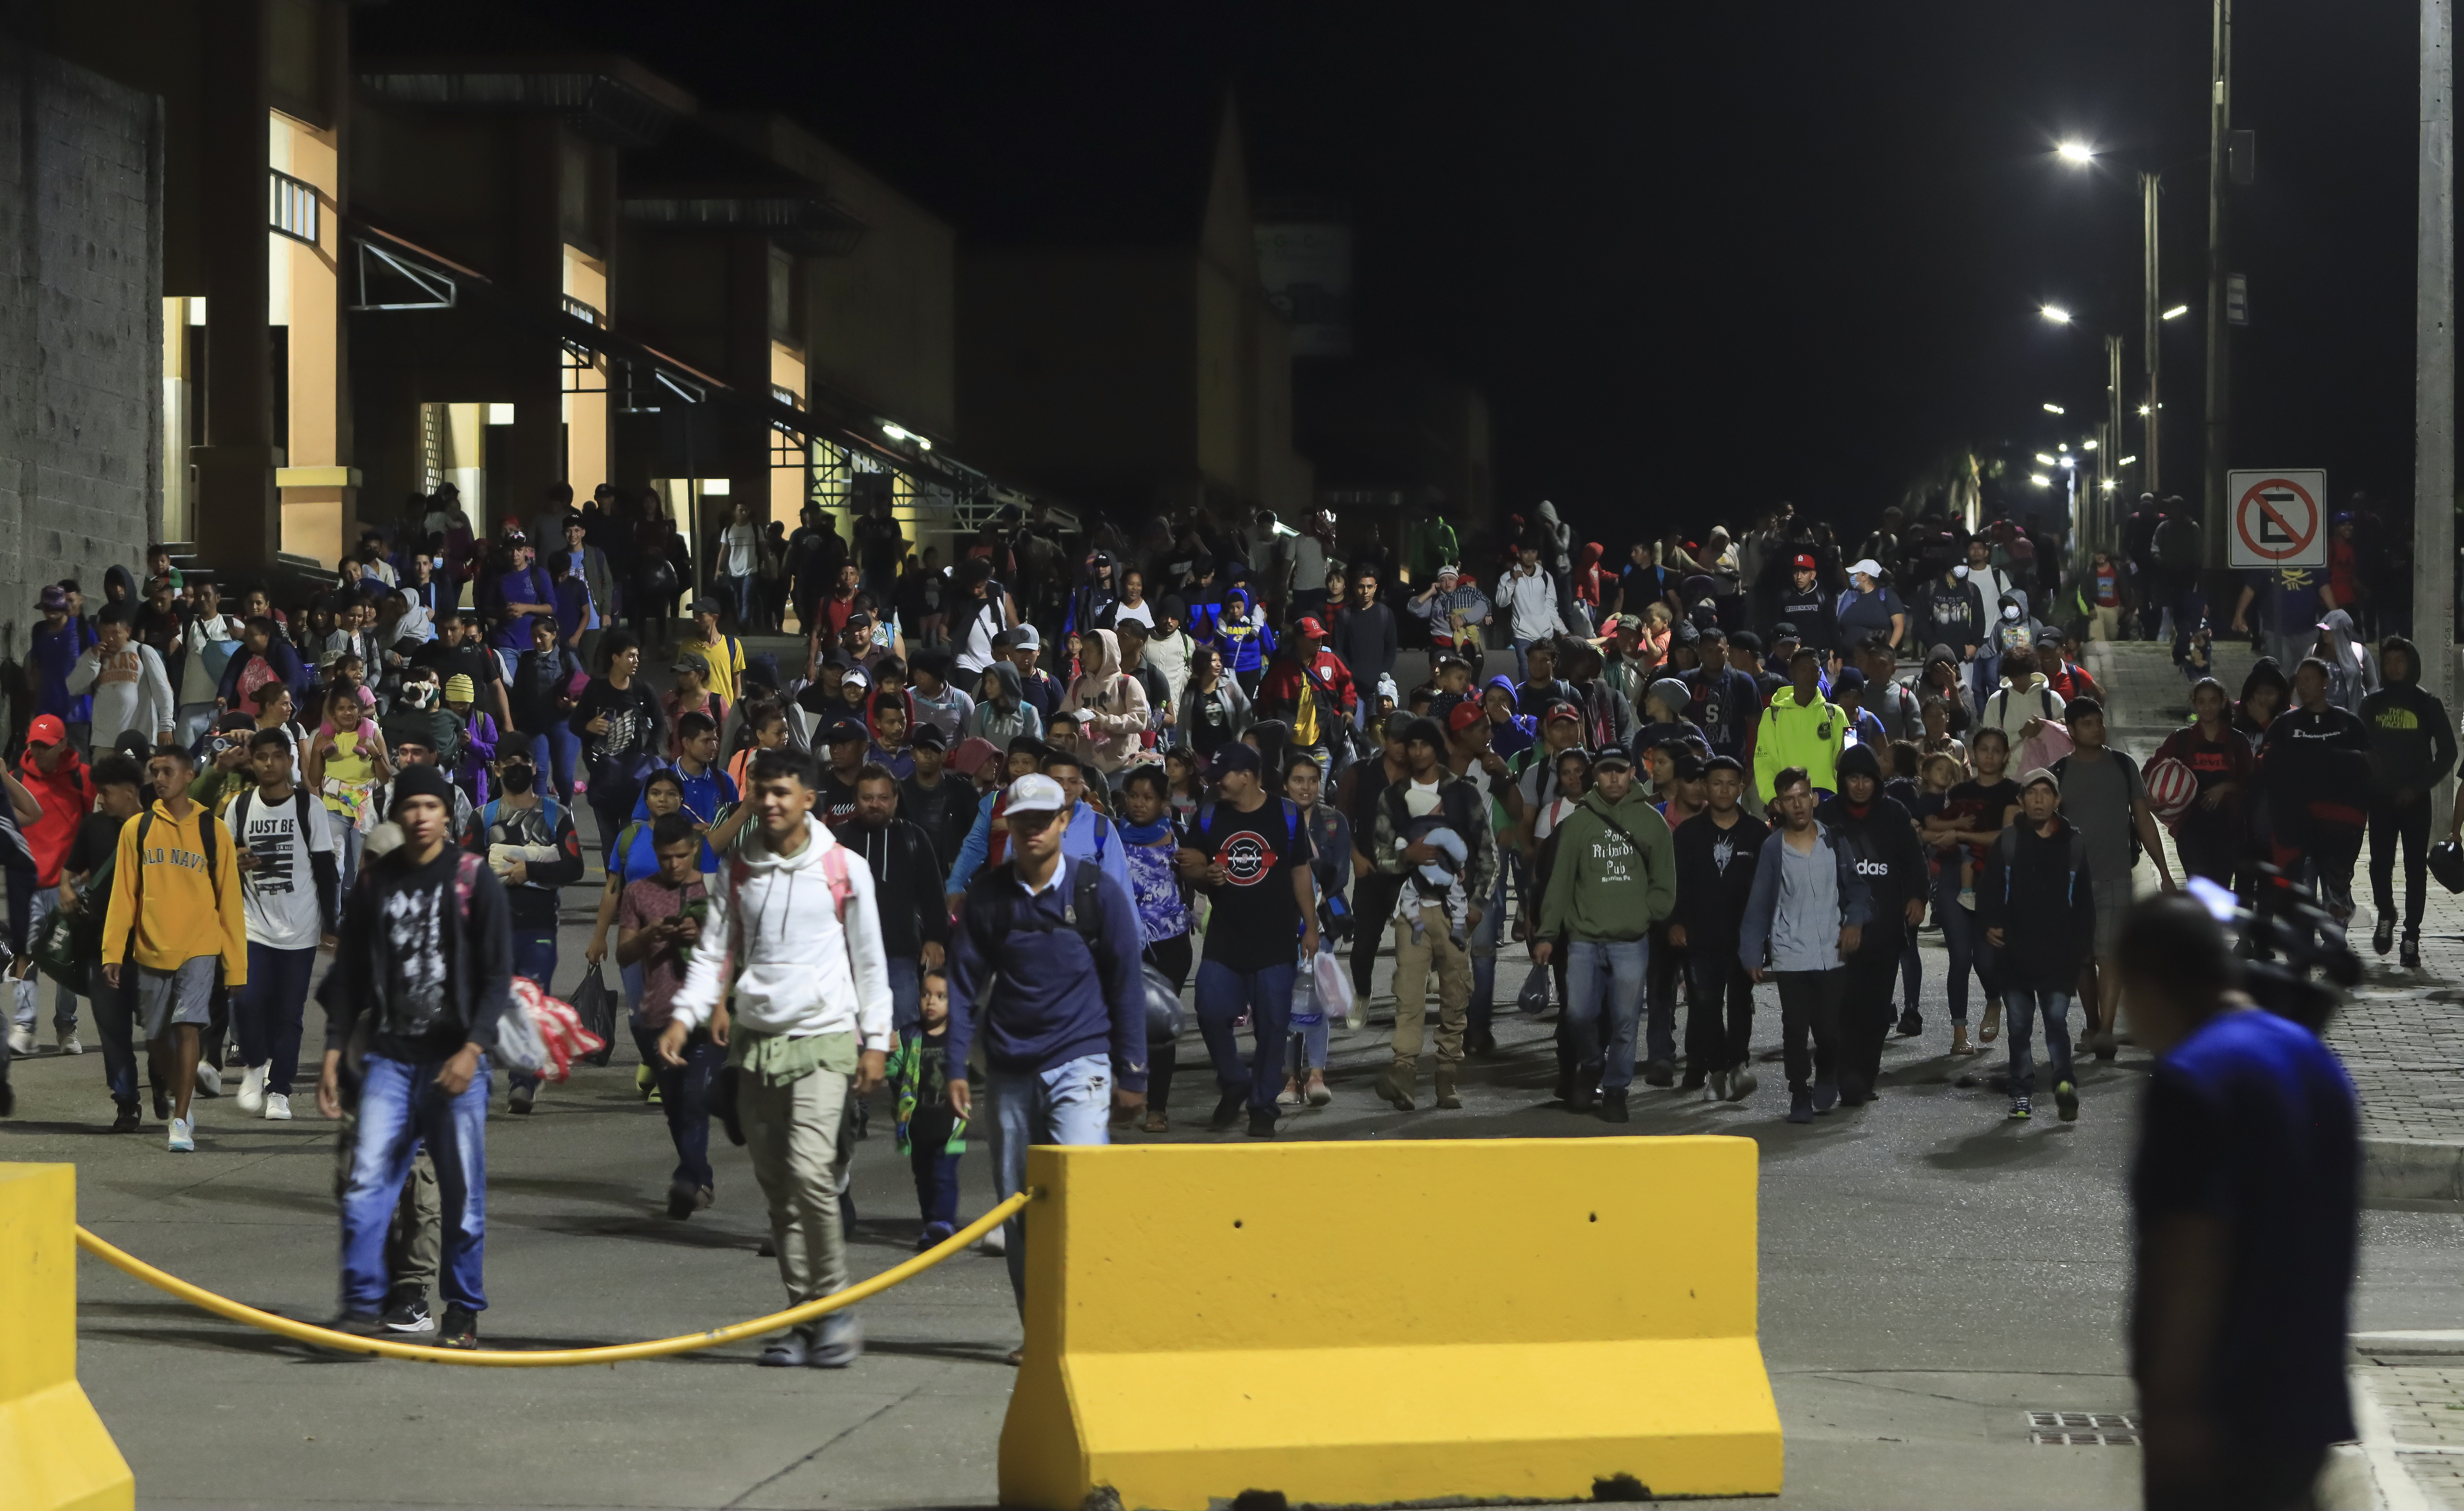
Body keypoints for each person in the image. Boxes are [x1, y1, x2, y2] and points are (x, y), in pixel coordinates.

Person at [2119, 897, 2358, 1509]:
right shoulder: (2313, 1059)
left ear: (2148, 983)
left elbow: (2188, 1255)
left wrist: (2171, 1410)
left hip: (2222, 1418)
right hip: (2307, 1410)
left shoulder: (2192, 1079)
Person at [663, 745, 893, 1368]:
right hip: (755, 1041)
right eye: (761, 791)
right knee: (778, 1189)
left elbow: (870, 960)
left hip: (824, 1038)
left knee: (813, 1174)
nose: (768, 802)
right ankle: (803, 1317)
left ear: (809, 799)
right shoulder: (740, 867)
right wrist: (685, 1016)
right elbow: (715, 950)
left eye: (781, 792)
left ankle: (836, 1310)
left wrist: (877, 1038)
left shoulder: (843, 867)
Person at [316, 764, 509, 1349]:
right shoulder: (376, 884)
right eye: (411, 806)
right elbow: (348, 974)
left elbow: (499, 974)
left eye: (431, 805)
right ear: (397, 814)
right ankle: (361, 1306)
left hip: (455, 1063)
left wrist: (473, 1048)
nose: (421, 816)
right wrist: (332, 1048)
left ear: (448, 813)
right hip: (390, 1061)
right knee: (367, 1182)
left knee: (462, 1195)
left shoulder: (475, 878)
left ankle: (462, 1310)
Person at [944, 772, 1145, 1326]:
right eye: (1022, 819)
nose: (1032, 829)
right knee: (1021, 1208)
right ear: (1007, 825)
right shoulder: (988, 898)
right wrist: (955, 1064)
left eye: (1044, 818)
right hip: (1009, 1072)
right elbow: (961, 986)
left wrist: (1134, 1074)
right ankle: (1040, 1333)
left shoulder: (1095, 892)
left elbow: (1126, 981)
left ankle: (1085, 1323)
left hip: (1082, 1062)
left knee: (1081, 1196)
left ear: (1064, 821)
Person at [101, 746, 249, 1153]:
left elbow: (230, 902)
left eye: (168, 770)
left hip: (199, 945)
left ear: (188, 775)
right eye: (155, 771)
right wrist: (113, 951)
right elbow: (123, 897)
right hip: (150, 949)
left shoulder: (213, 830)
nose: (160, 778)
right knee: (155, 1038)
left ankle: (181, 1120)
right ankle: (175, 1084)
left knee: (188, 1028)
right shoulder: (138, 828)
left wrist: (236, 967)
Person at [1175, 742, 1318, 1137]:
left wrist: (1311, 925)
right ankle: (1234, 1078)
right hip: (1225, 938)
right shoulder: (1209, 814)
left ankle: (1263, 1105)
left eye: (1224, 776)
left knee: (1273, 1027)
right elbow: (1188, 863)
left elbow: (1300, 871)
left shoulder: (1286, 814)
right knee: (1209, 1009)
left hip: (1275, 941)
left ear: (1248, 776)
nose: (1217, 782)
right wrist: (1206, 876)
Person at [1528, 746, 1674, 1122]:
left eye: (1620, 771)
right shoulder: (1578, 824)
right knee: (1577, 1014)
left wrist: (1643, 915)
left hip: (1631, 940)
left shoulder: (1652, 823)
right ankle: (1592, 1062)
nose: (1613, 778)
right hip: (1583, 940)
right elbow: (1559, 883)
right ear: (1597, 774)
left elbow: (1665, 884)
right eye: (1607, 771)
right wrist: (1546, 933)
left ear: (1632, 773)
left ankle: (1615, 1090)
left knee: (1626, 1022)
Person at [1367, 715, 1498, 1112]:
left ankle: (1446, 1074)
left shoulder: (1464, 795)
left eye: (1425, 744)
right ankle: (1403, 1071)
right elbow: (1381, 854)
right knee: (1409, 994)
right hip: (1413, 910)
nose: (1417, 751)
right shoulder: (1392, 798)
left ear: (1435, 749)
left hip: (1457, 912)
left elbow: (1487, 852)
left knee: (1456, 996)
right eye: (1412, 745)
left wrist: (1477, 903)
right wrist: (1405, 856)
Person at [1737, 765, 1869, 1124]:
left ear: (1813, 798)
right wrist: (1752, 951)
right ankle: (1799, 1091)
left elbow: (1857, 889)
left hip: (1832, 952)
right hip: (1791, 953)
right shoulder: (1772, 848)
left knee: (1828, 1029)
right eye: (1788, 798)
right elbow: (1760, 902)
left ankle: (1827, 1072)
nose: (1797, 805)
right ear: (1779, 804)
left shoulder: (1834, 840)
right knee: (1795, 1027)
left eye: (1802, 796)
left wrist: (1854, 921)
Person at [2051, 697, 2178, 1059]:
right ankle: (2092, 1021)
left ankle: (2105, 1029)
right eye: (2087, 724)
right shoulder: (2058, 772)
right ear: (2071, 730)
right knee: (2082, 956)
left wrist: (2165, 871)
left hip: (2117, 874)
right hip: (2073, 880)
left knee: (2109, 956)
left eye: (2099, 722)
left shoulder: (2123, 766)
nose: (2096, 729)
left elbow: (2143, 819)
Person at [463, 743, 584, 1115]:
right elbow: (466, 868)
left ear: (535, 767)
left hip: (538, 926)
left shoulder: (557, 814)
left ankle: (523, 1082)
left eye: (524, 761)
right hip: (490, 928)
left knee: (531, 1005)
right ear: (497, 769)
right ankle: (476, 1080)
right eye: (510, 762)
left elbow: (574, 868)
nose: (517, 767)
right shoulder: (482, 817)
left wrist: (529, 870)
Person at [226, 729, 340, 1122]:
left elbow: (327, 870)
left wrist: (332, 922)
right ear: (252, 762)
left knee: (290, 1013)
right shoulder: (238, 808)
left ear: (291, 760)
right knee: (246, 1000)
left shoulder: (311, 809)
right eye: (262, 757)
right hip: (253, 924)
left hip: (300, 928)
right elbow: (222, 869)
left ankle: (280, 1091)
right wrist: (234, 860)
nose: (270, 763)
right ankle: (255, 1062)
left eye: (278, 756)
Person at [617, 811, 723, 1218]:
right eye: (665, 857)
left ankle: (687, 1179)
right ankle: (701, 1177)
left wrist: (702, 933)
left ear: (693, 849)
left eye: (680, 856)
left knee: (696, 1098)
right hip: (657, 1015)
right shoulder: (638, 893)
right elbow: (625, 952)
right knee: (676, 1105)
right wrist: (649, 934)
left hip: (705, 1016)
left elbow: (737, 950)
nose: (674, 865)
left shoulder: (714, 890)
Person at [1977, 768, 2095, 1122]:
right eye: (2032, 793)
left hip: (2059, 955)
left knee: (2056, 1021)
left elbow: (2085, 903)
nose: (2039, 799)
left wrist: (2081, 950)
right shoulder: (2010, 841)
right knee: (2019, 1025)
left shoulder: (2073, 843)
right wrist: (1989, 924)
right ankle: (2021, 1093)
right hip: (2015, 951)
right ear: (2021, 800)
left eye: (2046, 793)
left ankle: (2064, 1084)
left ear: (2057, 800)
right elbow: (1990, 888)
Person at [1814, 743, 1928, 1107]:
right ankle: (1837, 1073)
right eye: (1853, 778)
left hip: (1884, 930)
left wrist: (1918, 897)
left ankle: (1862, 1079)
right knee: (1840, 1010)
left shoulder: (1894, 813)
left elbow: (1914, 860)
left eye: (1867, 778)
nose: (1860, 785)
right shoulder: (1828, 815)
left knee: (1876, 1012)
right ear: (1843, 780)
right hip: (1836, 930)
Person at [833, 764, 952, 1036]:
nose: (875, 805)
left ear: (896, 800)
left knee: (908, 1034)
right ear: (856, 800)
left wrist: (935, 939)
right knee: (849, 1037)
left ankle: (906, 1081)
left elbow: (933, 893)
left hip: (899, 957)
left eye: (883, 798)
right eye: (867, 798)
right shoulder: (838, 840)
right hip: (847, 957)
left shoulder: (914, 838)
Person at [1670, 755, 1762, 1102]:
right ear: (1706, 788)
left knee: (1741, 1002)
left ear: (1742, 787)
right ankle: (1717, 1070)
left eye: (1731, 783)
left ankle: (1739, 1065)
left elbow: (1767, 889)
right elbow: (1676, 882)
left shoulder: (1757, 833)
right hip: (1700, 937)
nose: (1724, 789)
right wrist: (1676, 921)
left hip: (1744, 938)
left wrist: (1764, 935)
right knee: (1705, 1006)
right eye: (1716, 782)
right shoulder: (1689, 834)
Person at [2360, 636, 2454, 968]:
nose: (2394, 667)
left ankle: (2411, 936)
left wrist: (2418, 787)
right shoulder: (2372, 703)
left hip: (2415, 801)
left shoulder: (2427, 704)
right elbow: (2360, 748)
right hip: (2381, 799)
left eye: (2401, 661)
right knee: (2379, 864)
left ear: (2411, 664)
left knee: (2416, 869)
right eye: (2389, 662)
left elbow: (2448, 752)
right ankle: (2386, 912)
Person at [1114, 763, 1193, 1132]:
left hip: (1171, 945)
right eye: (1133, 796)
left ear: (1164, 802)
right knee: (1123, 1022)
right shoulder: (1110, 835)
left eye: (1148, 797)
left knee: (1160, 1027)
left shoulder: (1180, 835)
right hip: (1124, 944)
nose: (1139, 804)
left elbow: (1198, 878)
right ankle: (1128, 1094)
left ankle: (1157, 1107)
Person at [12, 715, 92, 1056]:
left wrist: (84, 876)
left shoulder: (83, 777)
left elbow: (93, 826)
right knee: (25, 954)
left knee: (67, 959)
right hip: (28, 883)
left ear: (62, 745)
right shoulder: (15, 780)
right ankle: (24, 1026)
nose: (39, 751)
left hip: (68, 885)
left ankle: (66, 1028)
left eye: (46, 745)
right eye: (35, 745)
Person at [2153, 679, 2255, 893]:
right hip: (2192, 832)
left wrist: (2226, 787)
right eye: (2202, 702)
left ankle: (2216, 927)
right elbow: (2151, 770)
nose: (2207, 707)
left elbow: (2250, 782)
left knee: (2221, 891)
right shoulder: (2181, 739)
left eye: (2213, 701)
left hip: (2229, 832)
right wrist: (2159, 798)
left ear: (2222, 702)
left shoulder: (2238, 741)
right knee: (2199, 892)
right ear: (2194, 704)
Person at [575, 630, 666, 866]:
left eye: (637, 657)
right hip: (603, 777)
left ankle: (627, 893)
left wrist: (648, 753)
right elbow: (574, 724)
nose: (636, 662)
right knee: (608, 843)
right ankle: (613, 893)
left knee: (629, 842)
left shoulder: (642, 690)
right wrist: (590, 726)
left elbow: (660, 724)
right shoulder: (596, 689)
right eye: (631, 656)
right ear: (615, 658)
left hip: (634, 781)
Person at [1256, 616, 1356, 777]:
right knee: (1297, 789)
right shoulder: (1282, 668)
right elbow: (1264, 696)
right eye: (1314, 638)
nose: (1319, 642)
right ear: (1299, 640)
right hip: (1294, 742)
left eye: (1321, 637)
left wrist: (1348, 709)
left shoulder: (1330, 660)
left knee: (1318, 791)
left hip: (1324, 737)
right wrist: (1272, 722)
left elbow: (1348, 685)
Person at [69, 605, 177, 754]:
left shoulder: (143, 651)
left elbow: (164, 691)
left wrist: (166, 726)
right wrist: (94, 659)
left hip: (138, 740)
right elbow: (73, 687)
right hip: (104, 743)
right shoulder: (93, 655)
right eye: (105, 633)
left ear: (128, 632)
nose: (110, 638)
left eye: (115, 633)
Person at [1751, 645, 1847, 804]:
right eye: (1803, 669)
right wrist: (1772, 799)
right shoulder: (1773, 716)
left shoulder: (1836, 714)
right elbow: (1765, 763)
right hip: (1788, 801)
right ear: (1792, 673)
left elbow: (1849, 759)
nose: (1810, 674)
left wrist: (1844, 799)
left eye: (1815, 669)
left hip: (1830, 802)